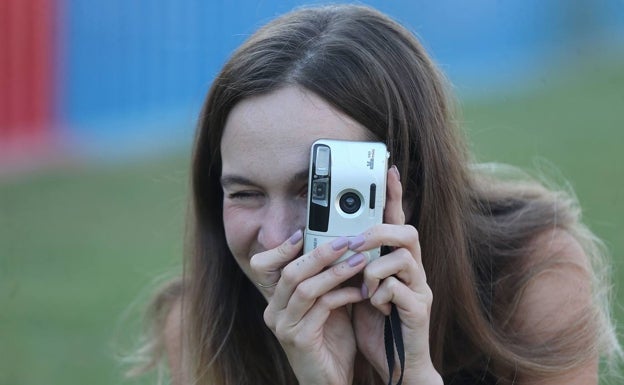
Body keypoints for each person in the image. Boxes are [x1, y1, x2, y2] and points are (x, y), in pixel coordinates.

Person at [130, 4, 622, 385]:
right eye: (245, 194)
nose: (276, 235)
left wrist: (412, 374)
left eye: (315, 191)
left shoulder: (532, 274)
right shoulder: (202, 327)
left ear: (405, 184)